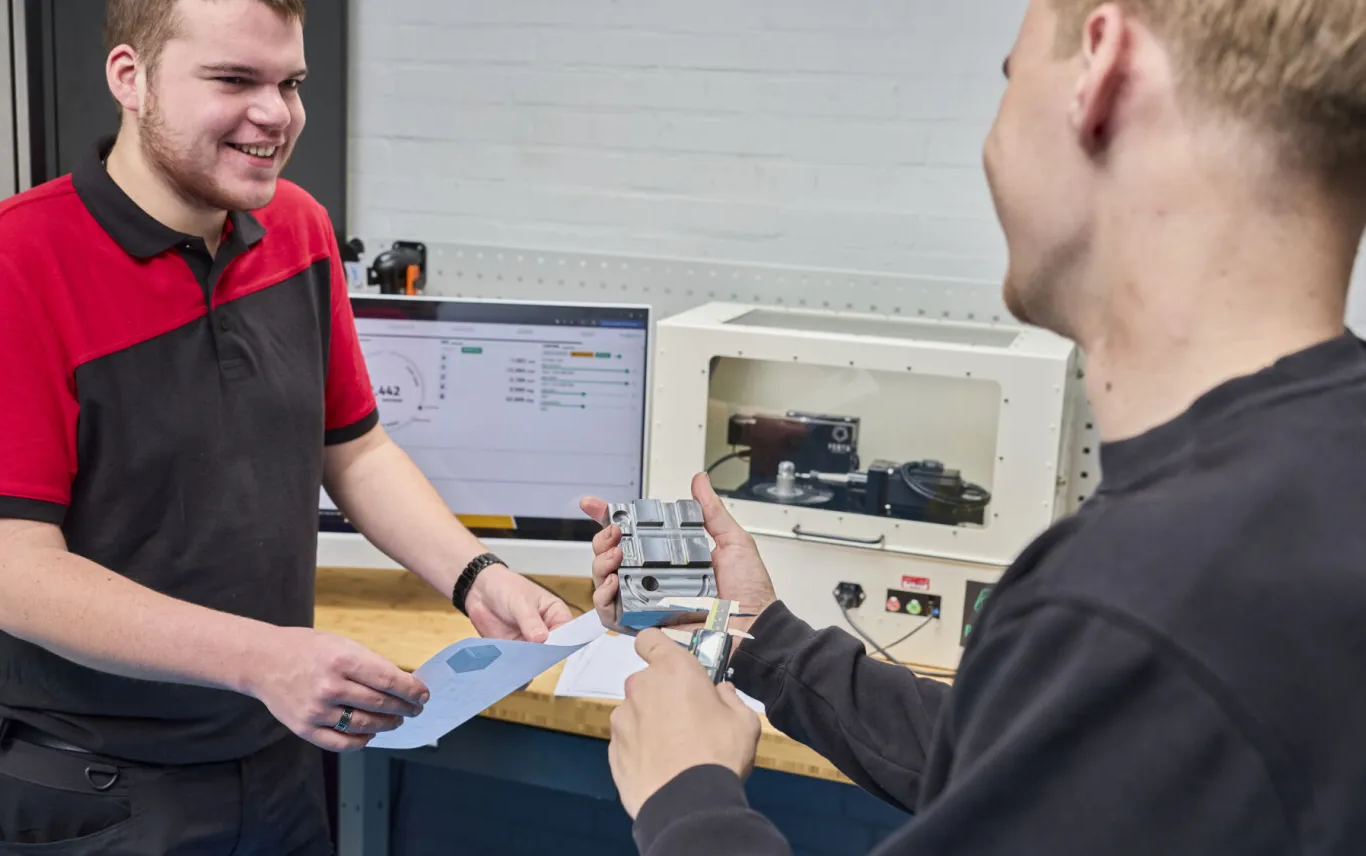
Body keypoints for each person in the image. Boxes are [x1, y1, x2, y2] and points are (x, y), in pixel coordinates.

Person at [584, 0, 1366, 853]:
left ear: (1100, 70)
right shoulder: (1311, 492)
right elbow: (1046, 763)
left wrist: (687, 800)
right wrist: (759, 633)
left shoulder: (1141, 605)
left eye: (1009, 79)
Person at [0, 0, 571, 852]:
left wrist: (478, 576)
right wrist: (264, 659)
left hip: (278, 750)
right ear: (130, 79)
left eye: (289, 83)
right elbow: (11, 576)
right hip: (94, 790)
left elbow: (355, 447)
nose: (276, 114)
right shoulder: (9, 268)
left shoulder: (297, 228)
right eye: (233, 79)